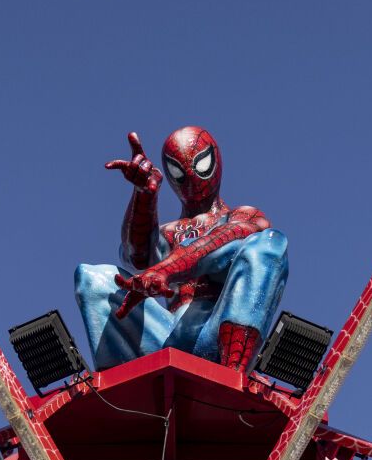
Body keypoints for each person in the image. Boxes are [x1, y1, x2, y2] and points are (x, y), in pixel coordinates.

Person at [74, 127, 288, 370]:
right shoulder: (167, 232)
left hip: (215, 334)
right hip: (167, 336)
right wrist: (144, 194)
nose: (192, 178)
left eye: (201, 163)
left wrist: (166, 269)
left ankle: (233, 374)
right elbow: (136, 256)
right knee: (91, 278)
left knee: (270, 243)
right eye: (179, 170)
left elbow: (225, 242)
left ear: (215, 161)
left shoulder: (242, 216)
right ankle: (118, 391)